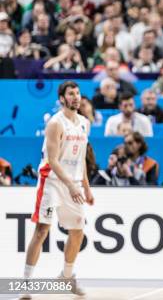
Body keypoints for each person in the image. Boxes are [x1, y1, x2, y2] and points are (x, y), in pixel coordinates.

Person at [21, 81, 93, 298]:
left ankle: (66, 276)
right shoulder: (55, 123)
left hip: (74, 183)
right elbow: (52, 160)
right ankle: (25, 284)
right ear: (62, 98)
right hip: (52, 182)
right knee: (42, 230)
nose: (76, 97)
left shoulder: (84, 123)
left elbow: (81, 158)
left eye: (78, 93)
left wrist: (86, 187)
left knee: (78, 232)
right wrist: (71, 185)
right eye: (71, 94)